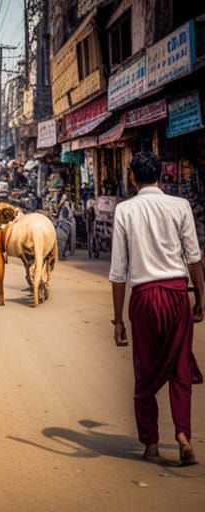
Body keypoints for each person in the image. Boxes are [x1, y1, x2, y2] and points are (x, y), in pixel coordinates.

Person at [109, 151, 204, 466]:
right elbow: (193, 257)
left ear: (132, 178)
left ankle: (150, 443)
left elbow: (118, 271)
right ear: (162, 175)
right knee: (180, 369)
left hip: (145, 298)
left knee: (144, 369)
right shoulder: (180, 206)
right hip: (178, 294)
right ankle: (183, 436)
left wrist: (118, 320)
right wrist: (201, 298)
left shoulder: (125, 210)